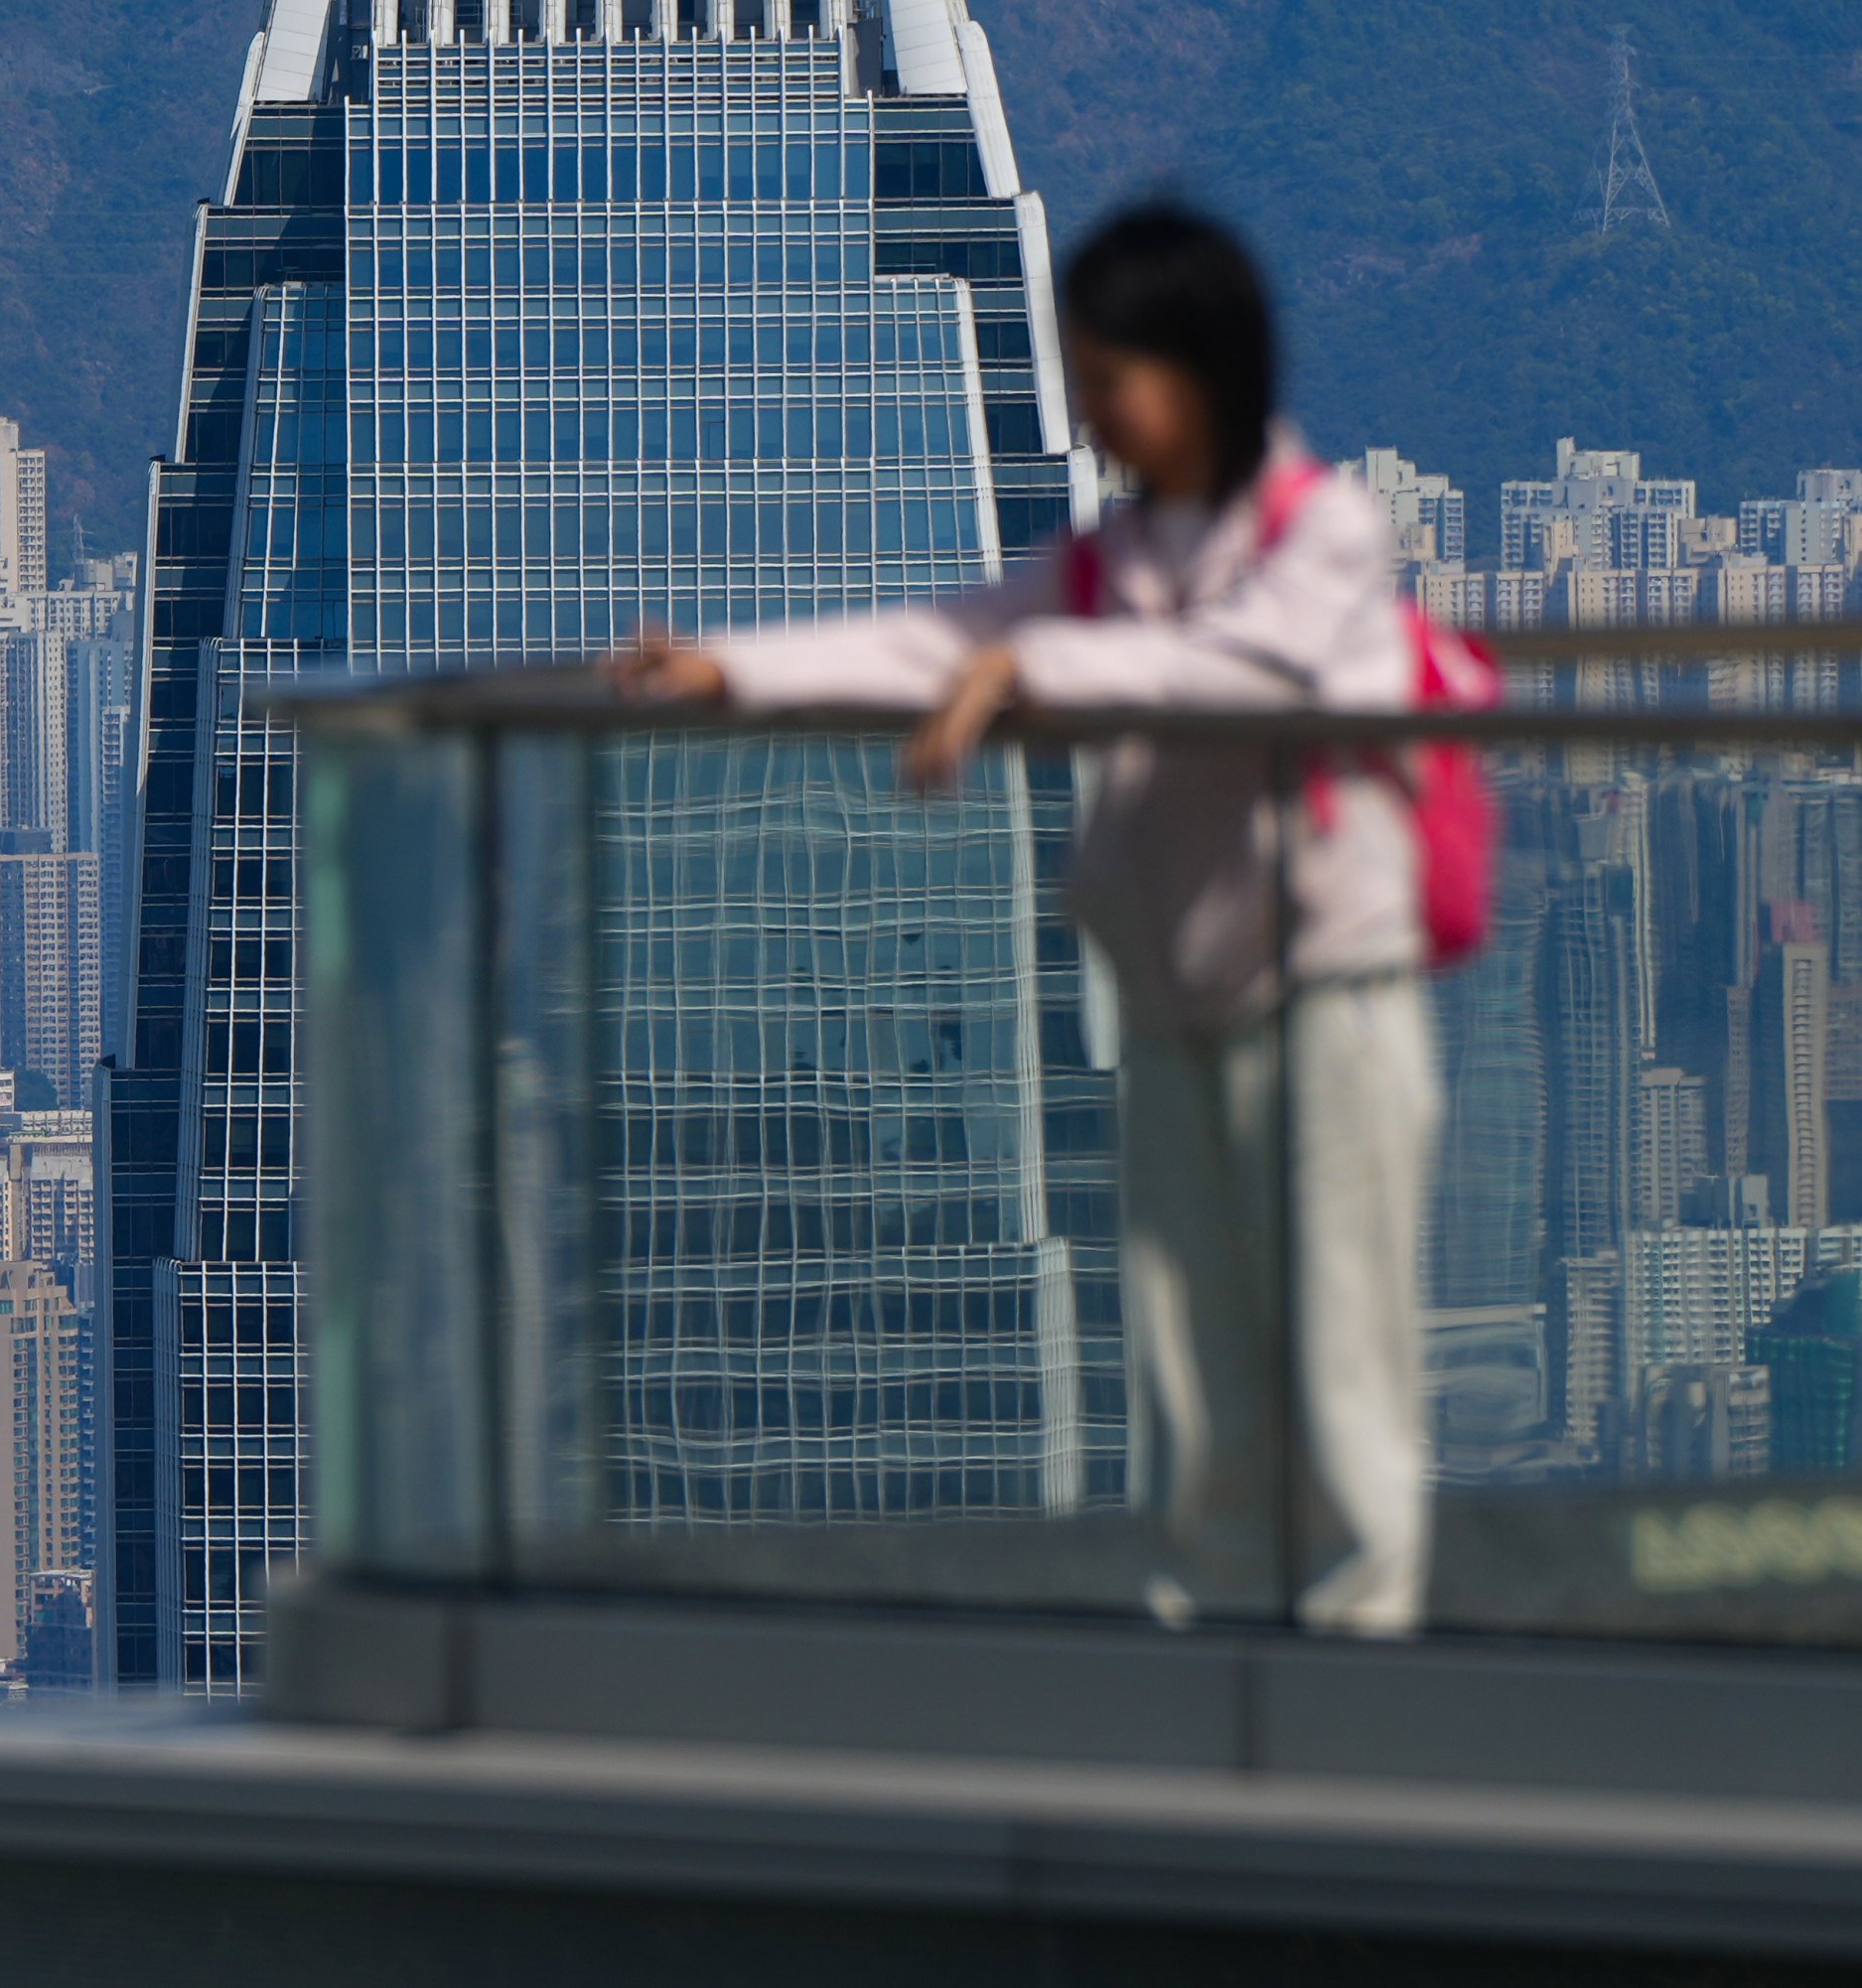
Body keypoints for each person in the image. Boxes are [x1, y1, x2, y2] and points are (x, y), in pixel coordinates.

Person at [608, 203, 1438, 1635]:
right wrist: (726, 670)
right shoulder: (1112, 562)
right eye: (1083, 376)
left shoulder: (1329, 533)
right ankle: (1225, 1648)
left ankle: (1366, 1659)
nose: (1094, 412)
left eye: (1115, 377)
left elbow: (1249, 671)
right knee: (1190, 1362)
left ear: (1204, 371)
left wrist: (1023, 666)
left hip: (1328, 1006)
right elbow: (931, 637)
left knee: (1342, 1352)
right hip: (1178, 1015)